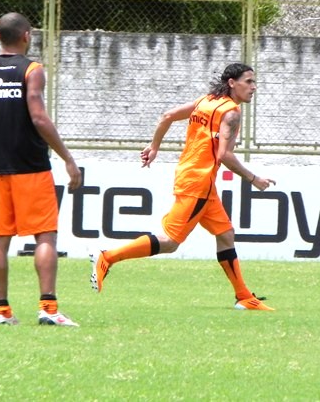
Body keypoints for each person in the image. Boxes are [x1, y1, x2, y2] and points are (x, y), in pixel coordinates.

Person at [90, 63, 276, 310]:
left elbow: (167, 116)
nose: (254, 87)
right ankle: (108, 256)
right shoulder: (231, 113)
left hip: (197, 180)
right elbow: (225, 155)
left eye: (254, 82)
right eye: (249, 81)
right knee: (170, 242)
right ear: (232, 83)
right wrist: (254, 179)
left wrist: (154, 147)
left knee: (225, 234)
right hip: (198, 182)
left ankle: (243, 296)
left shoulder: (206, 101)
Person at [0, 12, 82, 326]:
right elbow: (39, 117)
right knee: (45, 236)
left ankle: (2, 312)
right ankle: (48, 309)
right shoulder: (32, 70)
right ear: (26, 36)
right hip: (29, 165)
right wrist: (67, 158)